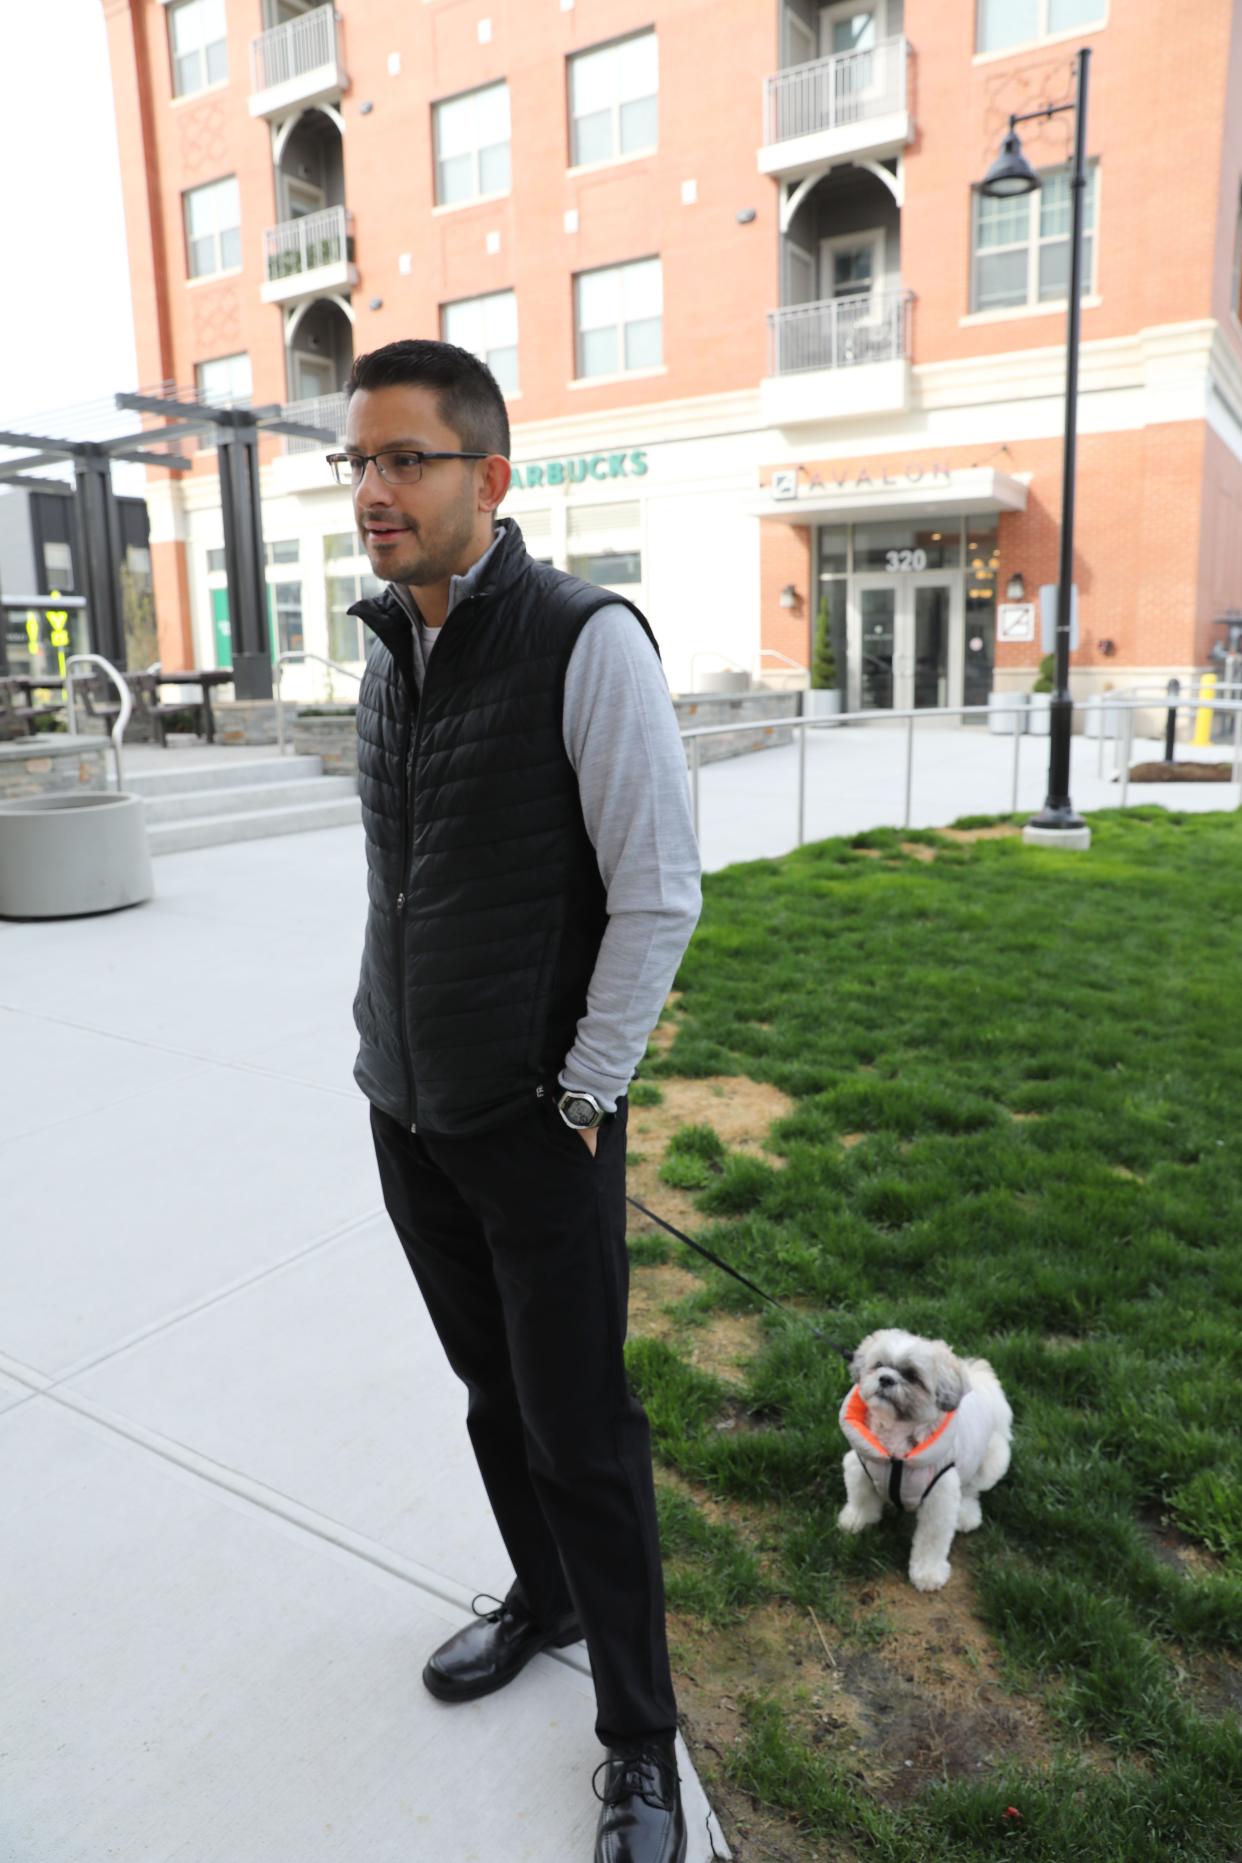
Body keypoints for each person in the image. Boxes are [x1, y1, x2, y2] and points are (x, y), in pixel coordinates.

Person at [341, 339, 702, 1863]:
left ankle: (637, 1742)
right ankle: (538, 1597)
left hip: (537, 1126)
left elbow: (660, 891)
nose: (372, 492)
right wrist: (384, 1043)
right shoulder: (385, 642)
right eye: (356, 463)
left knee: (583, 1434)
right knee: (495, 1401)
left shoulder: (582, 637)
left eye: (404, 460)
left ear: (490, 476)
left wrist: (582, 1095)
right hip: (409, 1110)